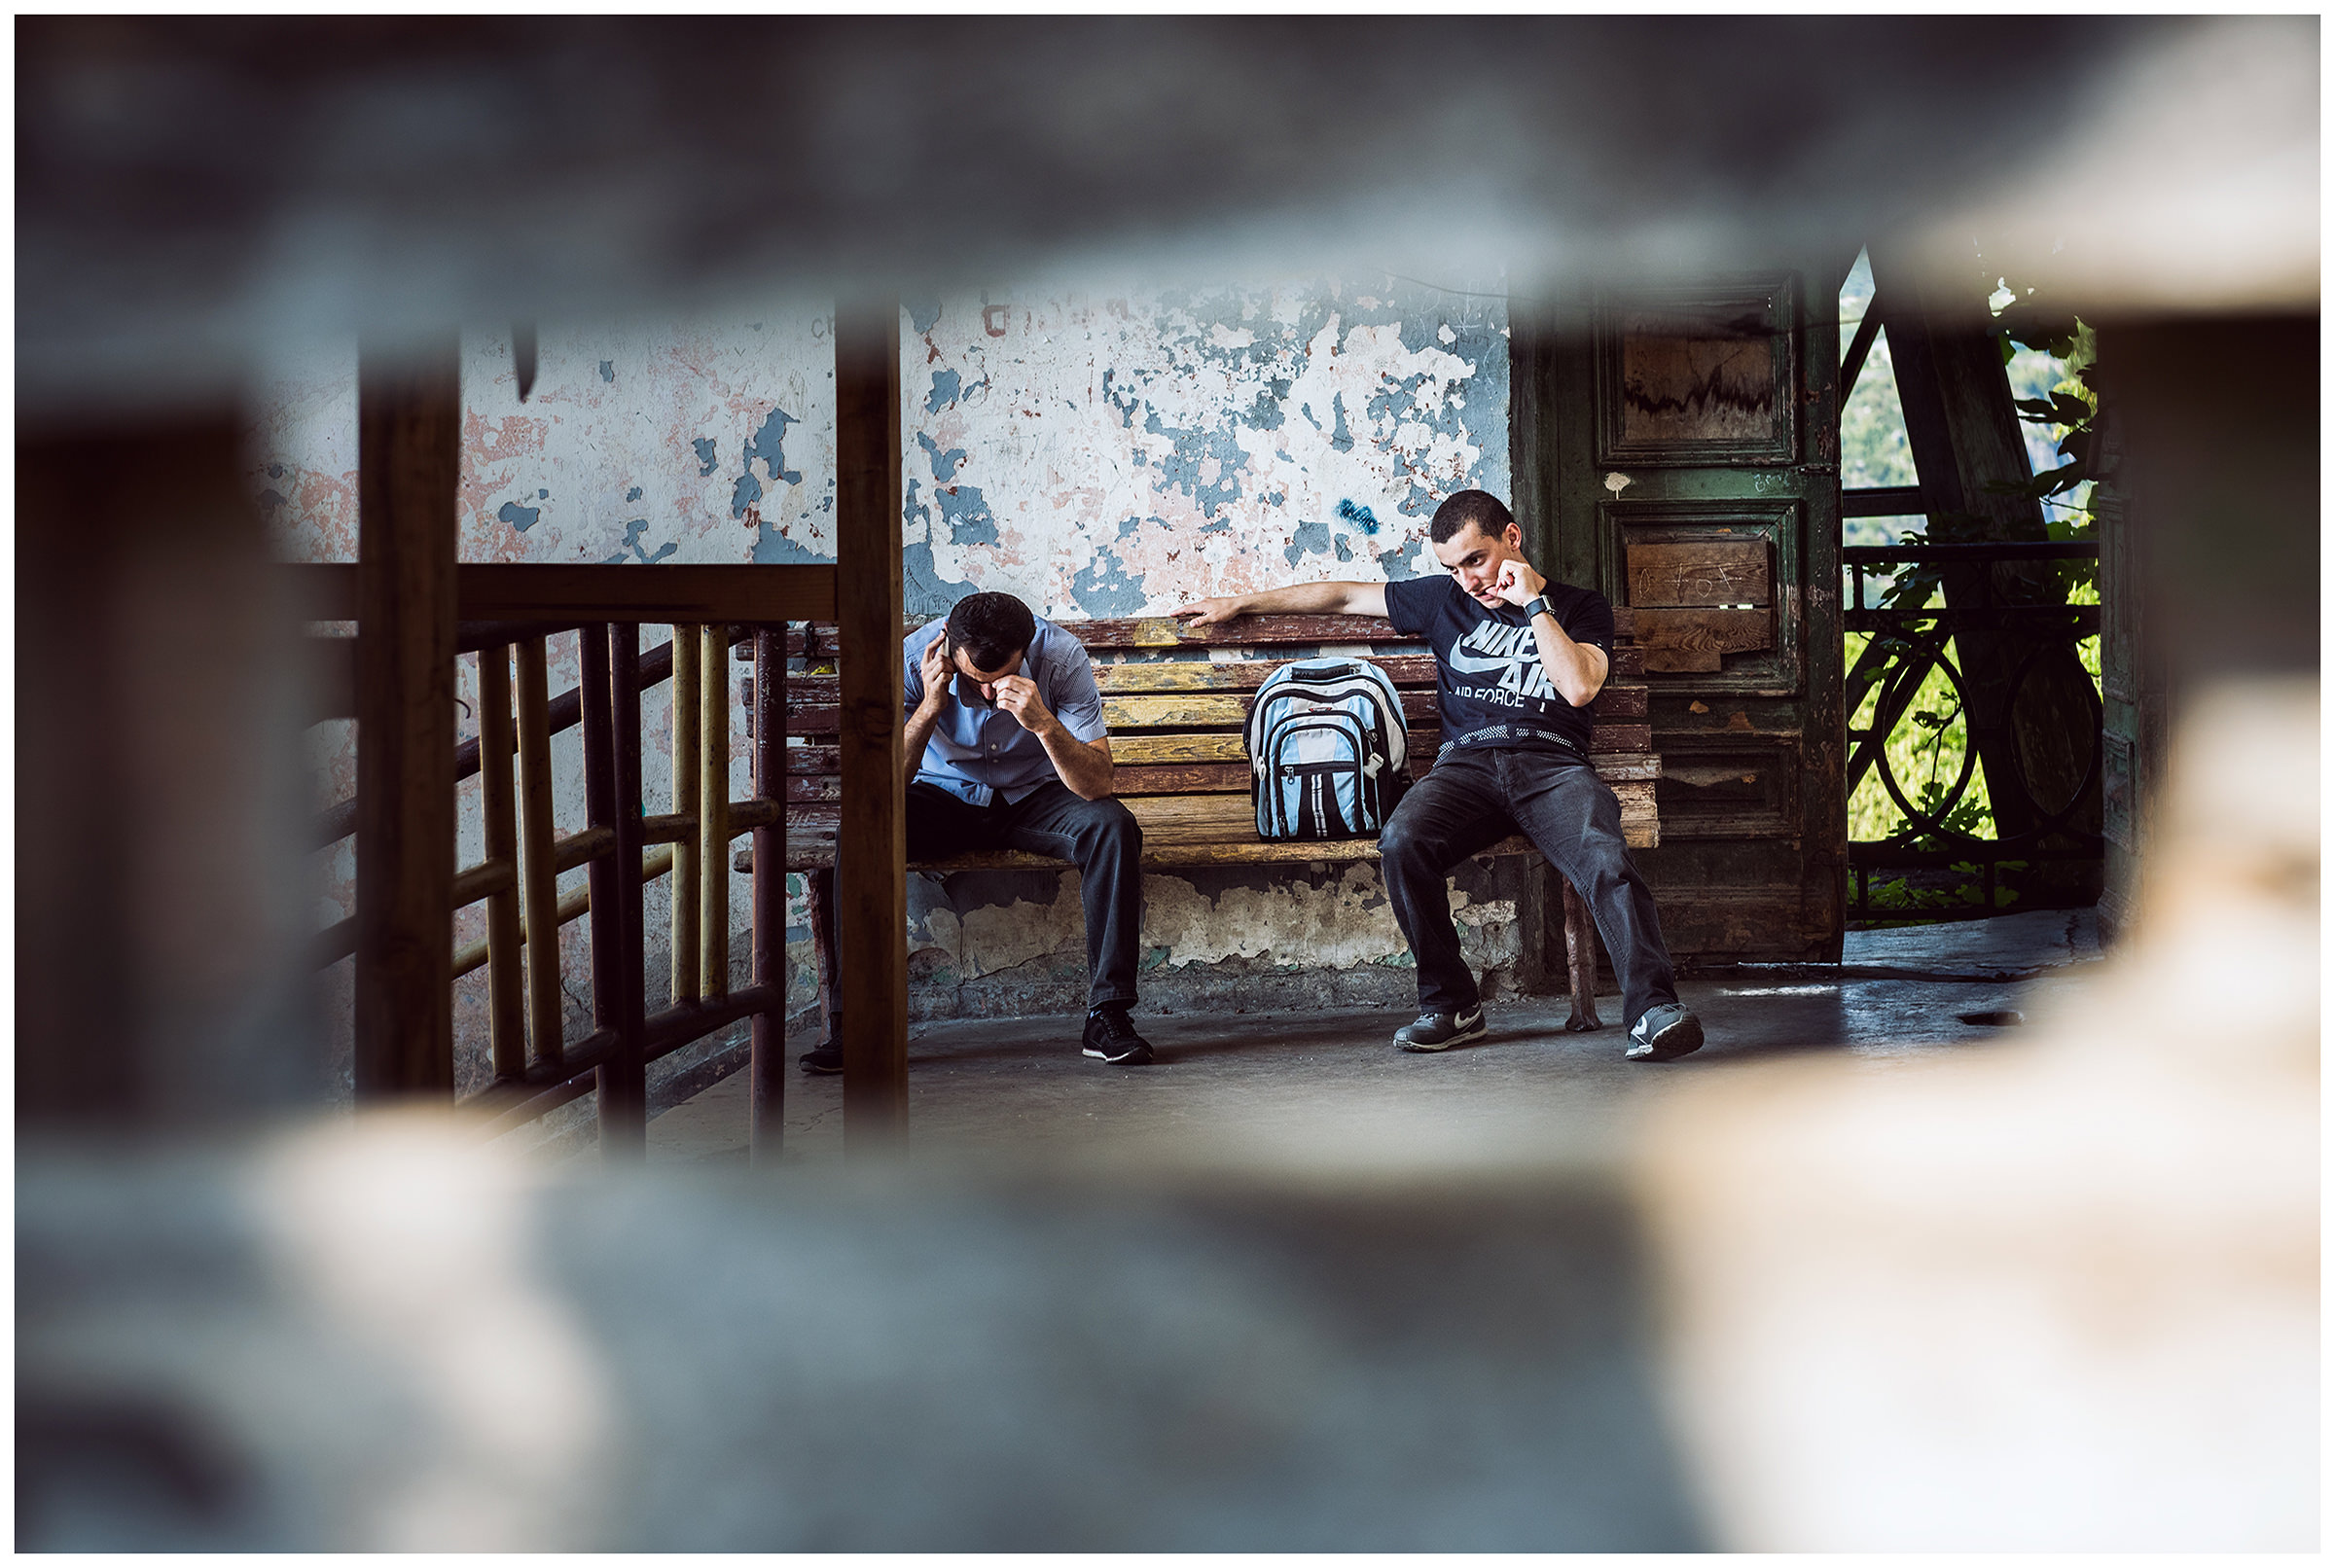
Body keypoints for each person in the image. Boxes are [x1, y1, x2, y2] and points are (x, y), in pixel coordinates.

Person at [1172, 489, 1704, 1062]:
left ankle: (1651, 1010)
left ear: (1512, 538)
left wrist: (1532, 605)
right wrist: (1241, 603)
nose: (1468, 580)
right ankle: (1453, 1005)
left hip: (1551, 765)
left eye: (1476, 560)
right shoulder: (1441, 600)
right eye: (1452, 568)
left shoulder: (1580, 607)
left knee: (1603, 856)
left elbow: (1577, 686)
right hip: (1466, 768)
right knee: (1402, 842)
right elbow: (1345, 596)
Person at [799, 589, 1156, 1072]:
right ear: (949, 649)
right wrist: (928, 707)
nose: (989, 695)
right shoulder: (913, 657)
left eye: (1001, 680)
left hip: (1034, 797)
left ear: (1026, 652)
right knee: (863, 830)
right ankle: (858, 1022)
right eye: (975, 681)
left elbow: (1097, 784)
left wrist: (1045, 725)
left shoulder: (1060, 657)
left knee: (1114, 827)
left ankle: (1107, 1015)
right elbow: (878, 792)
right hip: (945, 796)